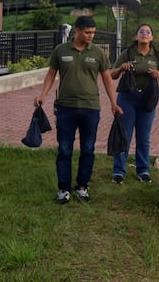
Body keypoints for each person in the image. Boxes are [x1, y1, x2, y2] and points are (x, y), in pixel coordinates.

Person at [35, 15, 122, 204]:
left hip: (91, 109)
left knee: (88, 149)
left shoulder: (98, 53)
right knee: (64, 149)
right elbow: (51, 74)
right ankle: (63, 189)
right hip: (66, 108)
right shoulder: (61, 50)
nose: (91, 36)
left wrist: (113, 103)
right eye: (87, 32)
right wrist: (43, 95)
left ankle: (82, 187)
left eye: (93, 33)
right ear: (77, 31)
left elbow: (107, 79)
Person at [109, 23, 159, 184]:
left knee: (144, 137)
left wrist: (158, 74)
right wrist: (121, 68)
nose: (144, 34)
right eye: (141, 31)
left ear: (152, 37)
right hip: (127, 98)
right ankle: (119, 171)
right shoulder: (128, 53)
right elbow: (112, 74)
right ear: (136, 36)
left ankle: (143, 170)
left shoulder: (157, 55)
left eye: (148, 32)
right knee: (124, 135)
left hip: (147, 98)